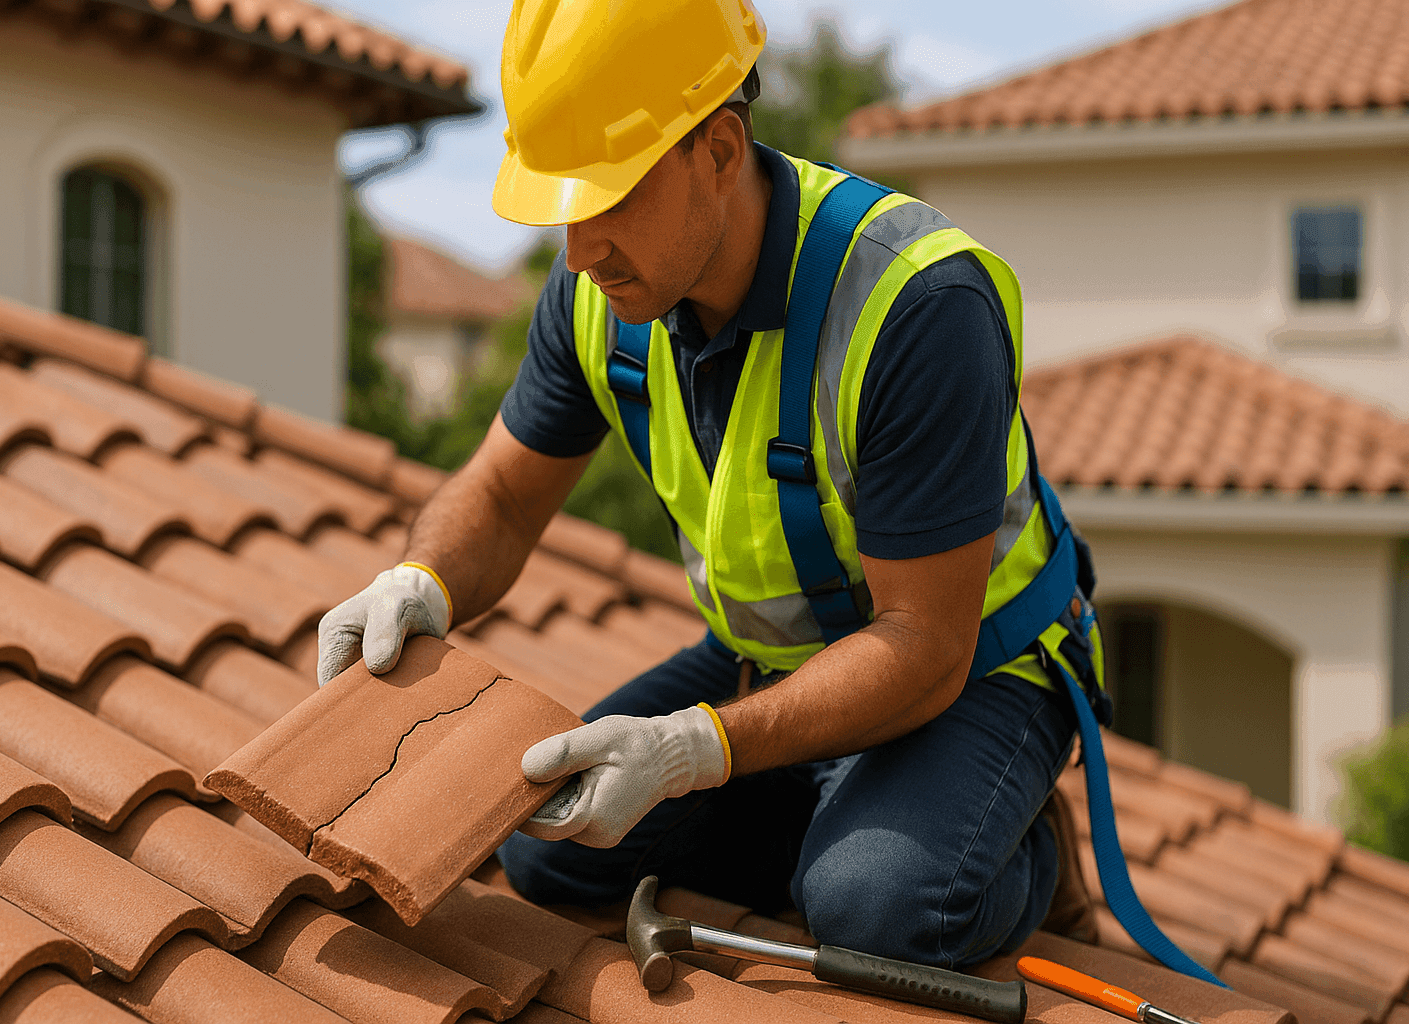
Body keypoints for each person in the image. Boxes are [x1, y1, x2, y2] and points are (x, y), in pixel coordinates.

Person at [316, 0, 1106, 970]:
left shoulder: (917, 306)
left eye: (608, 199)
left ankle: (1012, 835)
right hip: (771, 655)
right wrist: (420, 580)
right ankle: (842, 801)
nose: (577, 252)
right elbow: (506, 497)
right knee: (548, 845)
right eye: (564, 207)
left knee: (879, 908)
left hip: (974, 666)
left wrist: (695, 749)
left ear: (721, 152)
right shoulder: (599, 293)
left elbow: (923, 643)